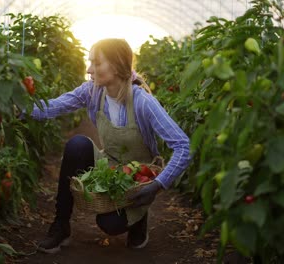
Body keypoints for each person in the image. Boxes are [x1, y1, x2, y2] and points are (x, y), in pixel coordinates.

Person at [20, 38, 191, 253]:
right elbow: (53, 107)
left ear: (117, 65)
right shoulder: (93, 91)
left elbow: (184, 146)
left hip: (139, 177)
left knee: (110, 224)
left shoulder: (142, 102)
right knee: (77, 145)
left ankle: (139, 220)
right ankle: (60, 225)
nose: (89, 70)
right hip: (109, 166)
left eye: (96, 63)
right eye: (90, 62)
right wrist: (19, 108)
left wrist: (157, 185)